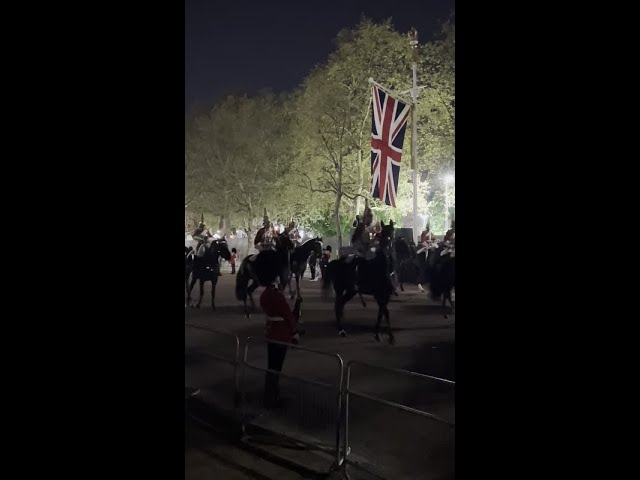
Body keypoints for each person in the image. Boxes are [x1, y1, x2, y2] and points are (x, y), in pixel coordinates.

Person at [260, 275, 302, 407]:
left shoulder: (265, 294)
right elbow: (287, 315)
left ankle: (270, 392)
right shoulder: (277, 295)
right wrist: (294, 332)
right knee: (276, 366)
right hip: (280, 333)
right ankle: (272, 395)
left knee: (271, 365)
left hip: (271, 331)